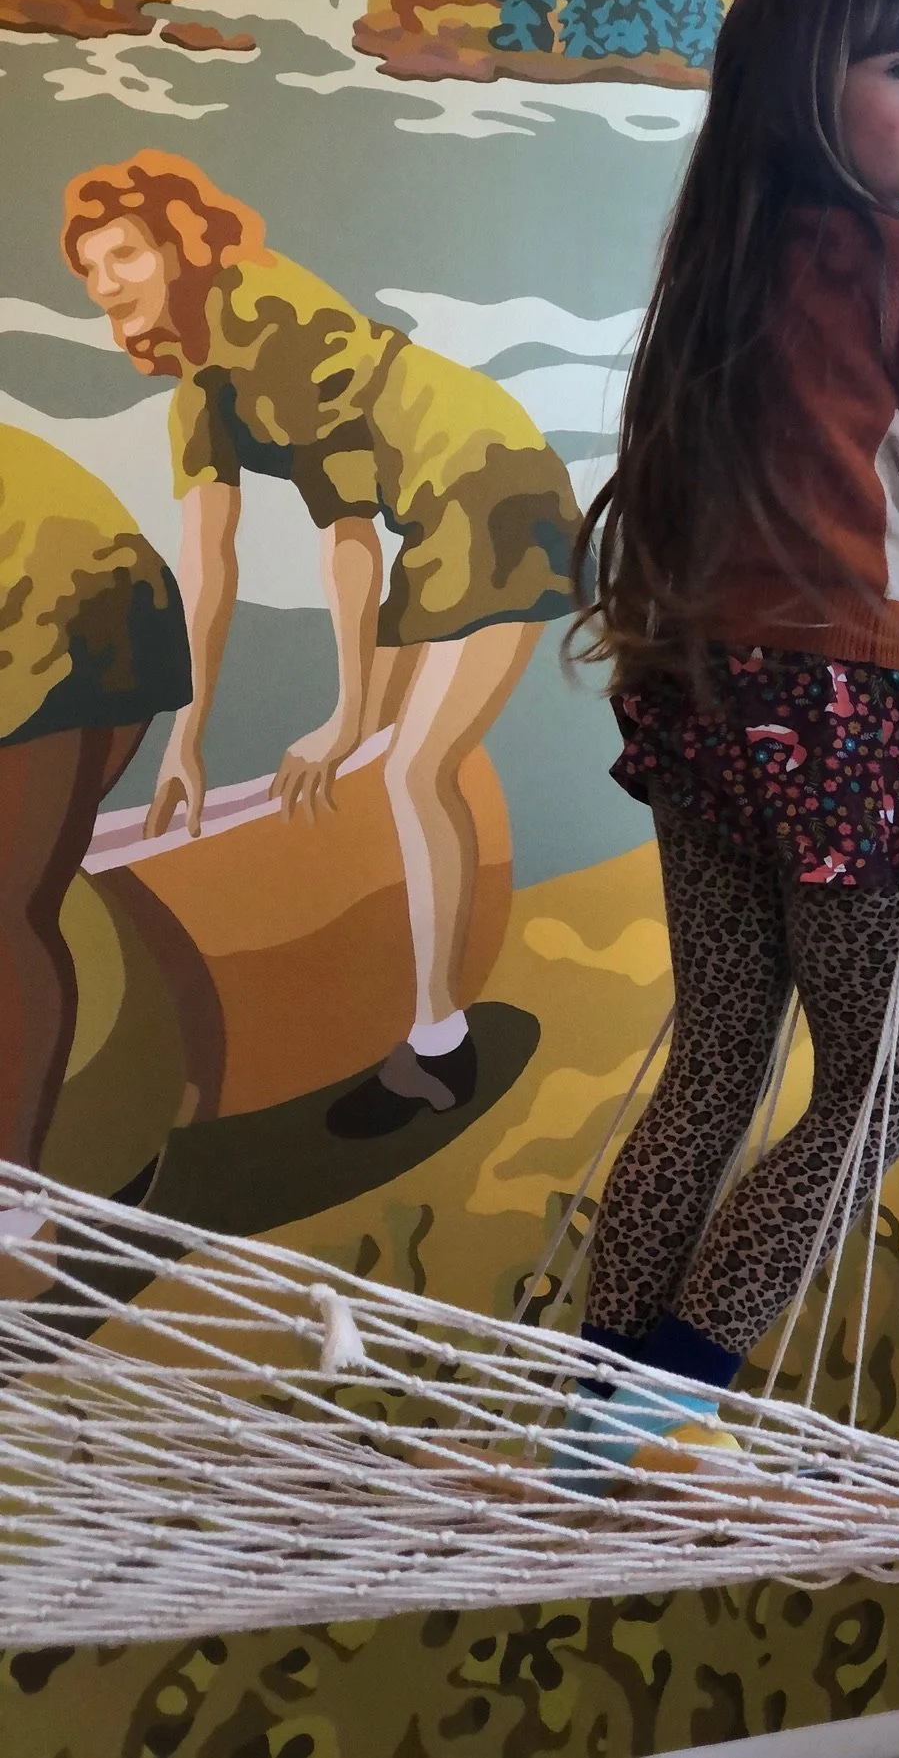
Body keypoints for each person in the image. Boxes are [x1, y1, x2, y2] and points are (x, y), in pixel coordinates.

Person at [563, 0, 899, 1477]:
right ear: (804, 93)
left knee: (716, 1052)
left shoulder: (707, 280)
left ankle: (592, 1391)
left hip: (697, 695)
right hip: (833, 700)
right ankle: (676, 1380)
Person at [61, 153, 582, 1129]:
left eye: (123, 253)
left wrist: (345, 714)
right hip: (430, 516)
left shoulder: (272, 317)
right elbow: (210, 569)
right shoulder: (195, 392)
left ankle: (437, 1045)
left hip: (492, 483)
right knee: (380, 754)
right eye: (91, 273)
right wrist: (187, 738)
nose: (108, 284)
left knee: (410, 764)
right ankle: (369, 976)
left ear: (177, 244)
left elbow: (346, 541)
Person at [0, 424, 192, 1285]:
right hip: (105, 583)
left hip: (56, 596)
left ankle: (12, 1193)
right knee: (24, 899)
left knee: (8, 906)